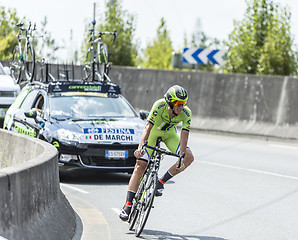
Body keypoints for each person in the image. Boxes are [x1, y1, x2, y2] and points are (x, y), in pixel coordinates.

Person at [119, 85, 194, 221]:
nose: (181, 107)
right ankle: (128, 204)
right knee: (140, 165)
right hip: (153, 134)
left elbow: (185, 135)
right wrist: (141, 147)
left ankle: (160, 181)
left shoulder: (186, 113)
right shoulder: (159, 105)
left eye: (183, 103)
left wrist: (182, 157)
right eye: (178, 103)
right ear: (170, 102)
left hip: (170, 135)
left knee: (189, 157)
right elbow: (148, 127)